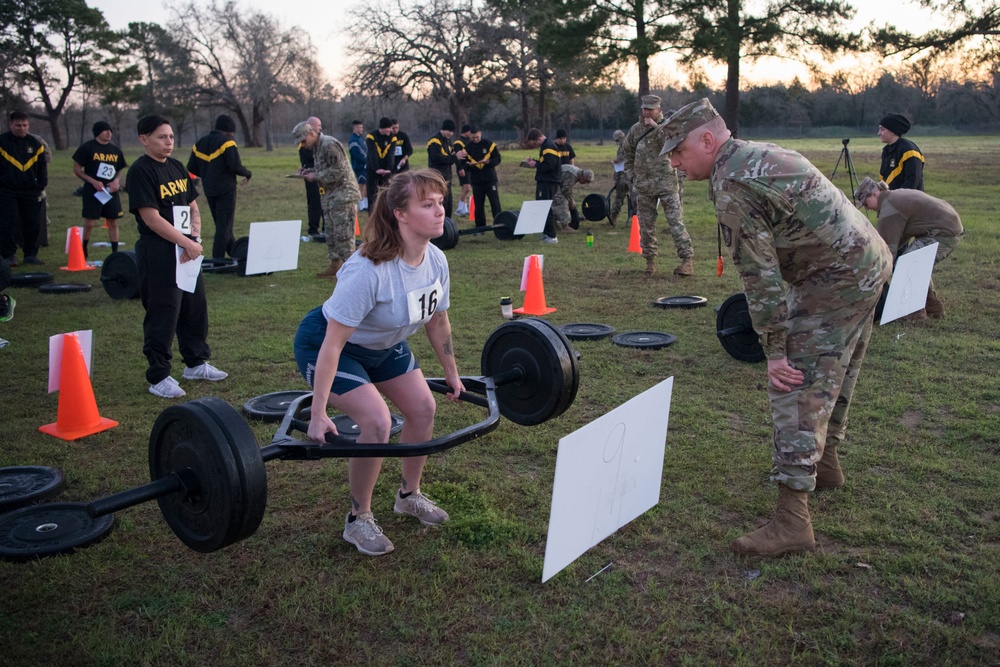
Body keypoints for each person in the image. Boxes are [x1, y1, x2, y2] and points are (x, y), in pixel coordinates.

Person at [662, 98, 893, 557]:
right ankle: (824, 463)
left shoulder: (732, 181)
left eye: (679, 151)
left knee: (797, 385)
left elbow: (759, 273)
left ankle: (793, 520)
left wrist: (774, 349)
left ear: (708, 140)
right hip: (869, 260)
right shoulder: (756, 153)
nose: (674, 162)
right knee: (837, 370)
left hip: (833, 278)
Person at [294, 169, 464, 557]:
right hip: (329, 344)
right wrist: (318, 412)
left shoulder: (436, 260)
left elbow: (438, 320)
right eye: (428, 204)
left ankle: (408, 495)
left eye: (440, 202)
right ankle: (359, 519)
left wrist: (452, 373)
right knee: (376, 421)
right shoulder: (368, 270)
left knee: (423, 408)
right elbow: (333, 343)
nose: (440, 211)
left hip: (384, 345)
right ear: (400, 214)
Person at [125, 114, 228, 399]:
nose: (168, 142)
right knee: (164, 311)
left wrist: (193, 239)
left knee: (194, 308)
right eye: (161, 137)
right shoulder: (140, 171)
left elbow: (193, 206)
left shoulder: (177, 166)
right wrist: (186, 242)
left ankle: (195, 363)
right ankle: (159, 376)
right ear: (144, 139)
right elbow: (151, 219)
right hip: (158, 250)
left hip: (186, 247)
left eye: (170, 137)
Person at [854, 176, 963, 319]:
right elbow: (899, 238)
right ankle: (934, 308)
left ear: (874, 194)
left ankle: (914, 314)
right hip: (946, 226)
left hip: (944, 233)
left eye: (866, 204)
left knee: (910, 263)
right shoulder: (893, 198)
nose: (867, 208)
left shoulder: (889, 209)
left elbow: (886, 252)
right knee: (915, 262)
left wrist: (872, 274)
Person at [623, 95, 692, 276]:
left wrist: (658, 129)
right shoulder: (636, 130)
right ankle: (650, 262)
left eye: (650, 109)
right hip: (644, 186)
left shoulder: (668, 128)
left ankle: (686, 261)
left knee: (675, 223)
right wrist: (631, 175)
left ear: (658, 110)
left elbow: (676, 145)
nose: (646, 112)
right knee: (646, 226)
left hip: (667, 184)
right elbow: (627, 153)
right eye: (644, 109)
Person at [293, 120, 361, 279]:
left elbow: (339, 170)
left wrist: (315, 176)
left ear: (311, 133)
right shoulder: (317, 147)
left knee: (344, 235)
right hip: (331, 196)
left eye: (303, 141)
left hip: (343, 195)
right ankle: (335, 265)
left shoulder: (329, 145)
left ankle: (350, 272)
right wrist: (307, 171)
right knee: (330, 233)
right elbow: (325, 167)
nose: (302, 145)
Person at [186, 114, 252, 259]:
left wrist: (207, 173)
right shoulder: (227, 142)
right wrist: (247, 174)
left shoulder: (199, 143)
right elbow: (235, 166)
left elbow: (191, 167)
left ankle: (234, 253)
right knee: (224, 226)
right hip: (226, 189)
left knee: (222, 224)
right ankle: (218, 260)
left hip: (209, 189)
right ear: (229, 130)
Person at [72, 121, 128, 258]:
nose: (109, 133)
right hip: (93, 191)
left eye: (110, 130)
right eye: (105, 130)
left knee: (113, 221)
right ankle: (83, 249)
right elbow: (77, 170)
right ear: (97, 132)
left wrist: (116, 181)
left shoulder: (115, 150)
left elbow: (119, 169)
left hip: (110, 192)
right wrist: (93, 181)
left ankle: (115, 253)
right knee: (90, 222)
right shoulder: (87, 148)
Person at [0, 111, 47, 267]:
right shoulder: (2, 142)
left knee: (32, 223)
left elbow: (42, 168)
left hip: (30, 191)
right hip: (7, 191)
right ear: (10, 125)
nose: (21, 128)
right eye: (18, 125)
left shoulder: (36, 144)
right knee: (9, 224)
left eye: (24, 125)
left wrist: (40, 185)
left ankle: (31, 254)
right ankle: (8, 255)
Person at [523, 128, 561, 244]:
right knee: (541, 207)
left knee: (545, 208)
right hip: (545, 181)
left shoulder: (548, 147)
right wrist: (534, 162)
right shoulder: (545, 146)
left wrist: (536, 164)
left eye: (534, 143)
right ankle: (546, 233)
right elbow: (545, 163)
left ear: (539, 138)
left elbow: (550, 166)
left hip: (548, 182)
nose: (534, 146)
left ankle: (552, 236)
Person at [464, 126, 503, 232]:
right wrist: (469, 166)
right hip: (477, 181)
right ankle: (480, 228)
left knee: (495, 203)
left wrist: (489, 162)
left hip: (490, 179)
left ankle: (499, 226)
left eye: (477, 137)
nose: (475, 139)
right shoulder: (467, 148)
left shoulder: (489, 144)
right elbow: (463, 164)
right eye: (473, 137)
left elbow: (498, 159)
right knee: (478, 205)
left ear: (481, 133)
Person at [427, 119, 467, 219]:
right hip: (437, 176)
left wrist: (460, 167)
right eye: (449, 131)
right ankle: (440, 223)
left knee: (448, 201)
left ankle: (447, 223)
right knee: (441, 201)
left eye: (453, 132)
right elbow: (437, 158)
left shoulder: (448, 142)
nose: (451, 133)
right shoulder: (435, 141)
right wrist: (455, 157)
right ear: (444, 129)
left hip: (447, 176)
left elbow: (454, 155)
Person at [878, 113, 924, 191]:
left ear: (892, 131)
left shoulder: (909, 151)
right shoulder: (886, 151)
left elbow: (912, 183)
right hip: (891, 200)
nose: (879, 133)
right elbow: (883, 180)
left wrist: (895, 197)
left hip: (910, 201)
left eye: (882, 129)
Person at [299, 116, 324, 240]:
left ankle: (326, 228)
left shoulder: (324, 141)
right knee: (314, 202)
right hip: (311, 177)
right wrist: (305, 169)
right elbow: (308, 158)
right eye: (318, 126)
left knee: (325, 202)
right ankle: (313, 229)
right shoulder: (305, 142)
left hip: (323, 176)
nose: (320, 128)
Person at [552, 164, 594, 230]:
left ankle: (553, 223)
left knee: (562, 200)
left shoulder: (577, 173)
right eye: (585, 181)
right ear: (582, 177)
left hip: (556, 183)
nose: (584, 183)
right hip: (552, 183)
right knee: (562, 201)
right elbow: (565, 190)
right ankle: (565, 226)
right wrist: (571, 201)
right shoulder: (573, 175)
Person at [366, 117, 395, 205]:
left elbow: (391, 155)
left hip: (386, 171)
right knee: (372, 195)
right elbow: (372, 154)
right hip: (373, 170)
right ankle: (372, 215)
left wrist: (388, 169)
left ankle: (386, 214)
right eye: (389, 128)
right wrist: (377, 169)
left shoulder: (392, 138)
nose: (391, 130)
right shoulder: (371, 137)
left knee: (386, 194)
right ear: (383, 127)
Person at [609, 129, 633, 226]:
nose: (617, 143)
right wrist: (616, 179)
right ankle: (613, 218)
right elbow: (619, 165)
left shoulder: (631, 146)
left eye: (618, 140)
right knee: (619, 198)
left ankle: (635, 219)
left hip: (631, 177)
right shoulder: (620, 148)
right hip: (622, 178)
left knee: (635, 199)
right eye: (616, 141)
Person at [349, 119, 368, 211]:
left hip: (365, 166)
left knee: (366, 185)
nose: (362, 129)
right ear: (355, 128)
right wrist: (365, 161)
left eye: (362, 127)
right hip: (359, 166)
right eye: (360, 127)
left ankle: (366, 204)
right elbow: (357, 154)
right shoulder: (353, 140)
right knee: (361, 185)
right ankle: (361, 205)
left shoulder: (361, 138)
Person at [453, 125, 472, 216]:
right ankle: (459, 208)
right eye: (470, 132)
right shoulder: (458, 142)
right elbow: (457, 157)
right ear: (466, 131)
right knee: (467, 187)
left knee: (465, 188)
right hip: (462, 167)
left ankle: (464, 209)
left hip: (469, 167)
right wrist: (460, 168)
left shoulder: (468, 141)